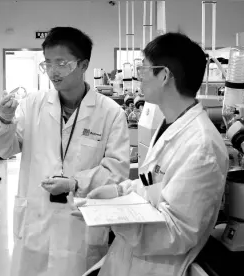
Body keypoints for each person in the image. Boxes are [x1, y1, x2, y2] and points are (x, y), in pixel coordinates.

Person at [73, 32, 229, 276]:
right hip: (131, 260)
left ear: (164, 75)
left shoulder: (201, 146)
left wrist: (111, 216)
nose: (139, 76)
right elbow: (153, 186)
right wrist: (118, 192)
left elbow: (177, 233)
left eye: (144, 68)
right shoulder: (169, 123)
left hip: (158, 267)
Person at [0, 26, 130, 276]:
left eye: (62, 63)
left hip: (80, 226)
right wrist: (5, 119)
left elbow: (116, 171)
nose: (53, 72)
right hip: (36, 223)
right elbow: (2, 149)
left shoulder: (110, 113)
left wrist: (75, 183)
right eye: (48, 64)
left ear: (83, 65)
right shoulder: (33, 104)